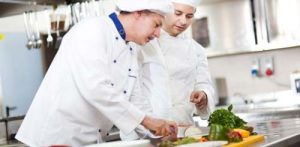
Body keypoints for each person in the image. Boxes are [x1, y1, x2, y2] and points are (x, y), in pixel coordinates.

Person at [15, 0, 178, 146]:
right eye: (156, 25)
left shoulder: (132, 48)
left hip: (91, 140)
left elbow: (135, 99)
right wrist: (148, 121)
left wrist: (157, 133)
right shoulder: (91, 30)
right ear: (139, 14)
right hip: (56, 137)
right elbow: (97, 89)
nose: (157, 34)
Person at [120, 0, 215, 141]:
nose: (183, 21)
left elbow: (204, 83)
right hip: (144, 131)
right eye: (178, 13)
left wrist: (203, 95)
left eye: (189, 16)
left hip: (183, 129)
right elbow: (131, 90)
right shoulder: (141, 41)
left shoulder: (196, 50)